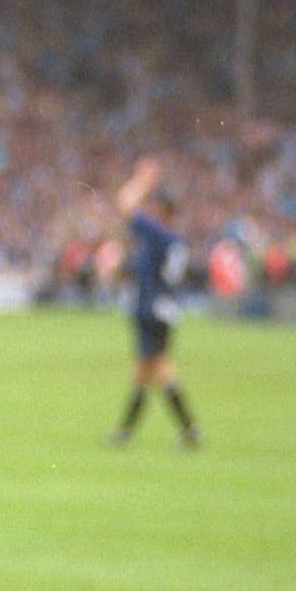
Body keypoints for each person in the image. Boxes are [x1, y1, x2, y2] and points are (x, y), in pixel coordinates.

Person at [107, 157, 201, 449]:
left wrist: (144, 180)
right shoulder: (173, 240)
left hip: (152, 309)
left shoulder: (160, 234)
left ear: (163, 212)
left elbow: (124, 203)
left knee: (158, 370)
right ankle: (126, 432)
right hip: (162, 309)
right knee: (145, 371)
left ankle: (188, 430)